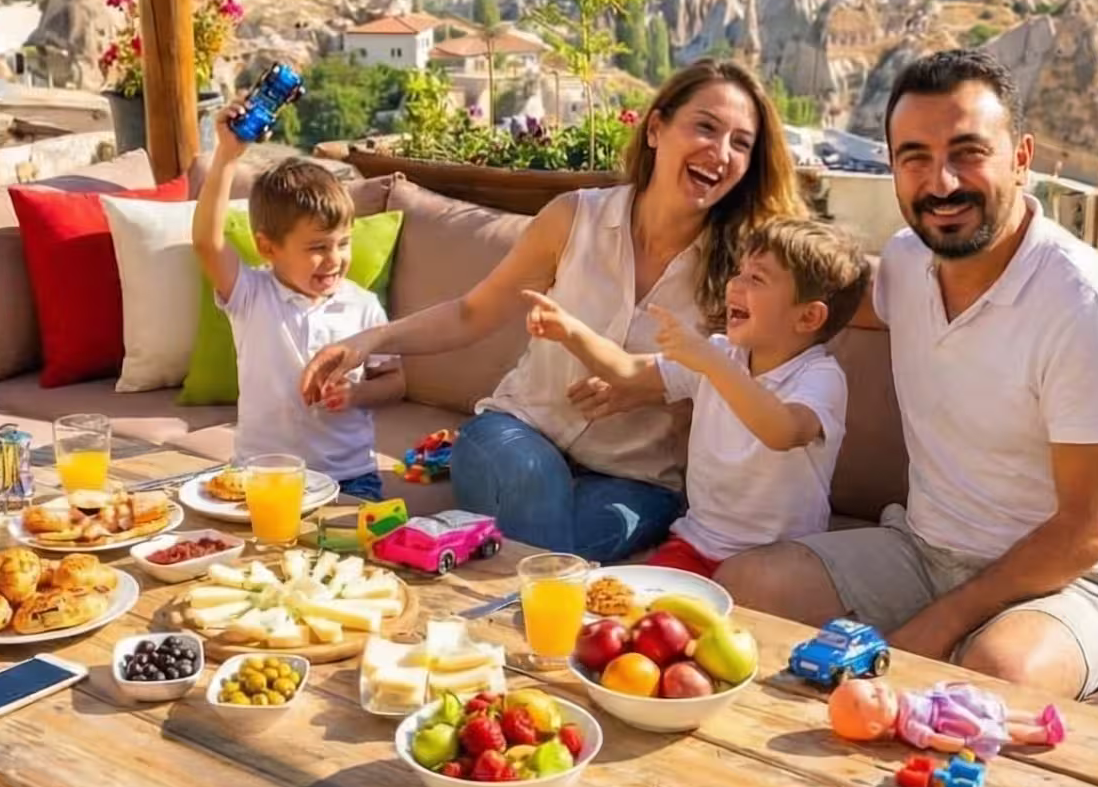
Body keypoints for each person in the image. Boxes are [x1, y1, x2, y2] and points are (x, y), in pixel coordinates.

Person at [715, 49, 1098, 787]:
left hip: (1079, 580)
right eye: (915, 156)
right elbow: (816, 299)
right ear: (893, 167)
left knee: (989, 674)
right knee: (751, 585)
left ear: (1022, 156)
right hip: (925, 540)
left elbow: (1089, 527)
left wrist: (943, 623)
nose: (942, 179)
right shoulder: (909, 271)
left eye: (968, 150)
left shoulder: (1083, 305)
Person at [296, 60, 808, 560]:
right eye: (706, 127)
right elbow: (471, 313)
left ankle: (481, 581)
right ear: (656, 129)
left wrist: (644, 386)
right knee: (536, 512)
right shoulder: (574, 218)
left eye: (741, 143)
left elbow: (745, 381)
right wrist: (368, 341)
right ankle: (537, 611)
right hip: (517, 433)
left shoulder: (745, 273)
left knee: (548, 544)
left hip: (636, 480)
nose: (720, 152)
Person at [519, 217, 867, 576]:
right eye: (739, 272)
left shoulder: (819, 377)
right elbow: (627, 370)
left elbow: (782, 431)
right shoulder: (720, 354)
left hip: (777, 563)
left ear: (808, 316)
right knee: (636, 615)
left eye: (756, 278)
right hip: (696, 544)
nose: (735, 285)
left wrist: (711, 364)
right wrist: (571, 331)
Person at [193, 112, 404, 500]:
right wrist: (226, 156)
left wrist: (356, 396)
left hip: (351, 477)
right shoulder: (251, 295)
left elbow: (395, 382)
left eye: (343, 243)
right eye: (317, 248)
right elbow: (207, 242)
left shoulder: (364, 306)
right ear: (267, 248)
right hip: (260, 476)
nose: (335, 258)